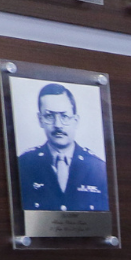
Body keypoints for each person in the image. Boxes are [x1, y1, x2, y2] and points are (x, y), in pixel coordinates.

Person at [16, 82, 110, 213]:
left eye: (64, 116)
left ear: (75, 120)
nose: (58, 125)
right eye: (49, 116)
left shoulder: (97, 168)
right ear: (40, 119)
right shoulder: (23, 165)